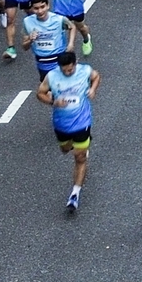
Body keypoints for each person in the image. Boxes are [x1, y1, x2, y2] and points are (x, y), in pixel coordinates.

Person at [36, 50, 99, 213]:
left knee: (79, 157)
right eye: (64, 70)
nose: (68, 72)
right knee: (65, 150)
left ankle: (75, 194)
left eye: (70, 69)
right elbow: (40, 93)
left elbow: (96, 76)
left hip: (82, 122)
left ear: (75, 64)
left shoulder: (85, 70)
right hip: (61, 124)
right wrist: (53, 101)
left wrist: (93, 90)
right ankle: (77, 149)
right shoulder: (52, 76)